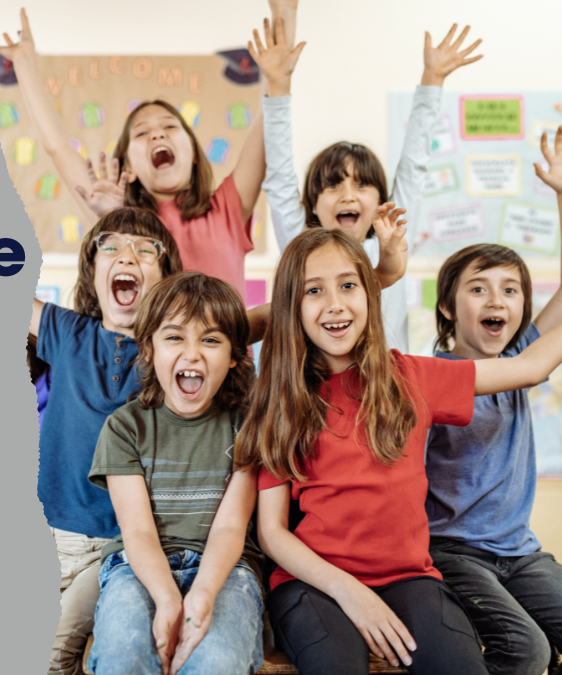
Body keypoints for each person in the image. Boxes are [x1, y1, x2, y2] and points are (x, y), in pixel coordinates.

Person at [236, 222, 562, 675]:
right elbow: (272, 533)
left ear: (370, 295)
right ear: (291, 307)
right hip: (312, 584)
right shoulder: (281, 400)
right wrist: (351, 592)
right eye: (314, 291)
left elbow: (530, 367)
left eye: (349, 285)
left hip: (410, 580)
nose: (335, 304)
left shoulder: (413, 377)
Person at [0, 9, 269, 301]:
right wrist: (23, 62)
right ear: (129, 168)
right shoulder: (117, 216)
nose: (158, 134)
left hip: (224, 348)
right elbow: (57, 147)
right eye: (142, 133)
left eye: (170, 126)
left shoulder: (227, 209)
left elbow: (265, 125)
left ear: (195, 155)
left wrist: (283, 20)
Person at [254, 8, 482, 351]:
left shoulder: (388, 246)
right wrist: (278, 85)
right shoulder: (301, 246)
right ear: (312, 204)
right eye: (333, 185)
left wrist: (432, 80)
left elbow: (414, 165)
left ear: (381, 202)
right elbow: (280, 175)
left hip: (386, 393)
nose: (347, 195)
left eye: (362, 185)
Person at [423, 128, 562, 675]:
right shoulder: (433, 375)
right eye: (478, 288)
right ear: (450, 310)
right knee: (526, 651)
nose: (496, 298)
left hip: (520, 551)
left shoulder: (520, 351)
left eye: (510, 289)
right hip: (455, 553)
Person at [29, 207, 183, 675]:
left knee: (52, 654)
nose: (126, 255)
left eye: (145, 250)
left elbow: (255, 320)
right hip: (47, 539)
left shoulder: (174, 350)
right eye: (110, 247)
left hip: (116, 548)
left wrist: (377, 275)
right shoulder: (67, 332)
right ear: (93, 274)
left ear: (166, 279)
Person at [87, 272, 264, 675]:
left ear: (235, 355)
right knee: (122, 658)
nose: (192, 354)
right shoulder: (125, 427)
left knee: (217, 662)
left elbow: (229, 530)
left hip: (226, 568)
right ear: (148, 349)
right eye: (174, 337)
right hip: (137, 566)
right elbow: (138, 532)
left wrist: (201, 592)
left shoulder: (247, 427)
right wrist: (168, 598)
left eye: (211, 340)